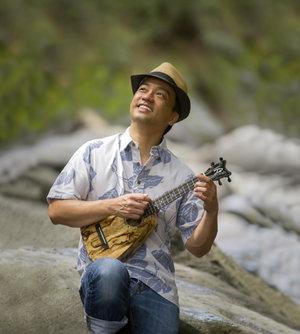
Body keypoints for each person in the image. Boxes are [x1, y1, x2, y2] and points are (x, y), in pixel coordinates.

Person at [47, 62, 218, 334]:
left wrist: (211, 211)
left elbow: (198, 247)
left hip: (156, 285)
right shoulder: (94, 152)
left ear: (173, 117)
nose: (146, 96)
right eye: (143, 89)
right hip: (103, 274)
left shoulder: (182, 177)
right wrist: (113, 205)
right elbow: (57, 210)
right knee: (109, 271)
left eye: (160, 94)